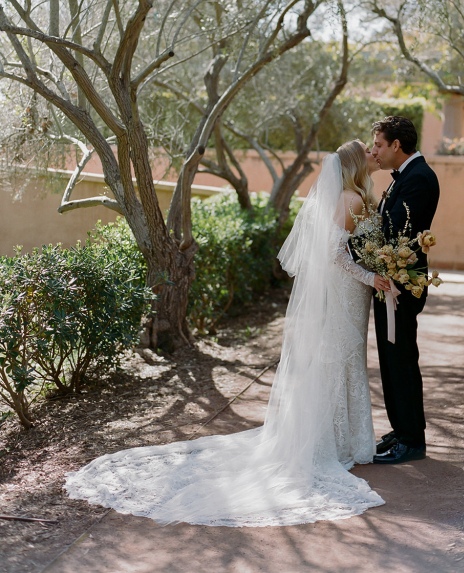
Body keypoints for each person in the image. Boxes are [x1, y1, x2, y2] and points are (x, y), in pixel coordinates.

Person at [64, 140, 386, 527]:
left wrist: (373, 268)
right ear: (354, 163)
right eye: (367, 150)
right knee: (339, 356)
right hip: (347, 290)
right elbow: (335, 254)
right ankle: (328, 441)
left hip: (354, 293)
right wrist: (371, 274)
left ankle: (346, 438)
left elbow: (350, 248)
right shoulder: (350, 198)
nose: (372, 153)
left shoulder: (359, 195)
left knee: (346, 355)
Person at [370, 116, 440, 465]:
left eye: (379, 145)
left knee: (401, 360)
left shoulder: (420, 178)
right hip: (390, 280)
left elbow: (394, 228)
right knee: (390, 359)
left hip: (402, 282)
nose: (375, 152)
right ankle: (401, 429)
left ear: (397, 145)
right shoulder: (407, 177)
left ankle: (412, 439)